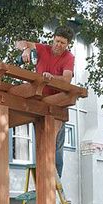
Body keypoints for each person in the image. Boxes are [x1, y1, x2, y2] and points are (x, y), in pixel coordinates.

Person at [15, 25, 75, 177]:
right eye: (57, 41)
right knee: (41, 143)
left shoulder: (69, 57)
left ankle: (55, 181)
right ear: (53, 38)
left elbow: (67, 79)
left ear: (67, 44)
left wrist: (51, 77)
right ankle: (43, 179)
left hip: (57, 105)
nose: (59, 45)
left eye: (63, 43)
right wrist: (26, 49)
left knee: (56, 147)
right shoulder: (43, 49)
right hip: (40, 103)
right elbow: (19, 43)